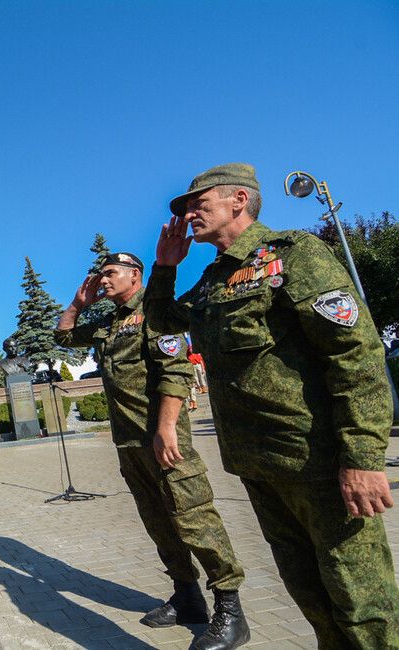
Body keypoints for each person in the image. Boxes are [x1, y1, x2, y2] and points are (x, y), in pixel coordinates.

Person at [147, 162, 398, 648]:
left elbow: (356, 355)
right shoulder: (216, 277)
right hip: (260, 468)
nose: (189, 216)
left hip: (320, 464)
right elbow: (164, 327)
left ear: (238, 200)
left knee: (361, 601)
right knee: (310, 595)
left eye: (199, 205)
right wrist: (164, 268)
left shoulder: (294, 255)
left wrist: (364, 459)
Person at [56, 253, 248, 649]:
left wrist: (165, 429)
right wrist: (78, 304)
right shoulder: (110, 323)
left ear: (135, 275)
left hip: (165, 440)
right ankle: (187, 597)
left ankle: (230, 609)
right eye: (101, 274)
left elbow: (175, 370)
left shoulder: (155, 312)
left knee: (194, 518)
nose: (103, 280)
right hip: (129, 443)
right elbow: (63, 336)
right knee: (159, 523)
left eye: (110, 273)